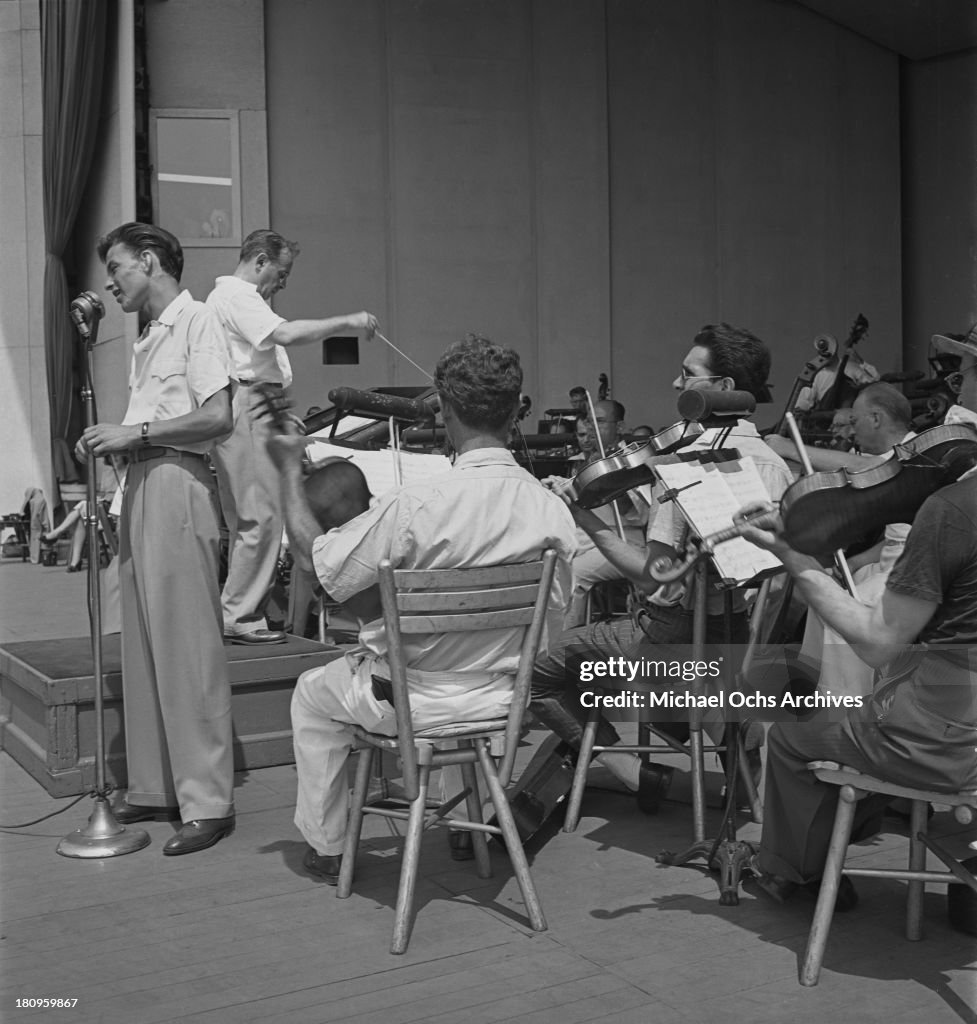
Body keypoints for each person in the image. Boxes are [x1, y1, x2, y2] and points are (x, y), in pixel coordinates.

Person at [267, 335, 577, 883]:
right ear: (512, 412)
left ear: (448, 410)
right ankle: (464, 824)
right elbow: (553, 624)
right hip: (504, 703)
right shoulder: (550, 508)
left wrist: (290, 471)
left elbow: (321, 569)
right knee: (457, 670)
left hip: (412, 706)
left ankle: (329, 845)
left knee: (312, 698)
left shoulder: (416, 505)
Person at [532, 324, 793, 811]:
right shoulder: (776, 463)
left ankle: (637, 775)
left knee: (539, 672)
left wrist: (585, 517)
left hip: (670, 645)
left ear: (722, 389)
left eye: (687, 374)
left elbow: (653, 575)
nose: (675, 385)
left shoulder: (689, 465)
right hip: (739, 639)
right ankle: (730, 752)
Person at [738, 433, 977, 908]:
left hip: (947, 739)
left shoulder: (954, 509)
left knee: (790, 732)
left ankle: (797, 875)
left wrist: (793, 557)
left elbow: (876, 642)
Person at [76, 222, 236, 856]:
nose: (110, 281)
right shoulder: (149, 338)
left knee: (186, 642)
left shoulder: (198, 321)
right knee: (144, 641)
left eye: (117, 267)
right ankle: (156, 782)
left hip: (175, 478)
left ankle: (208, 799)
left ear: (149, 261)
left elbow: (218, 415)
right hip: (142, 483)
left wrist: (131, 433)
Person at [206, 229, 379, 645]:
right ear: (261, 260)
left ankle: (243, 606)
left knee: (252, 513)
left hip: (258, 403)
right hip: (249, 403)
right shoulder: (238, 296)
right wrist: (348, 321)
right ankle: (239, 612)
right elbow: (284, 335)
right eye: (281, 273)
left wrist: (282, 415)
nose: (283, 283)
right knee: (260, 513)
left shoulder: (235, 300)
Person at [797, 383, 916, 697]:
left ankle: (846, 709)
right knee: (822, 590)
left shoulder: (915, 454)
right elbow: (899, 535)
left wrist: (789, 447)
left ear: (876, 418)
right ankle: (812, 688)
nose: (852, 431)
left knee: (845, 615)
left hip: (914, 573)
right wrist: (858, 560)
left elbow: (871, 468)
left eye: (856, 421)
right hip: (890, 565)